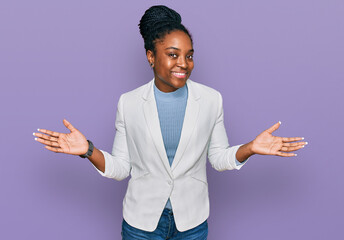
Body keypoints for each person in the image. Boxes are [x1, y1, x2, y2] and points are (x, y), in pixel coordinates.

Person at [33, 5, 307, 240]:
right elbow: (120, 168)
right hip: (141, 224)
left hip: (192, 223)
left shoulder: (211, 100)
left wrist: (250, 148)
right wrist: (88, 150)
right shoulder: (128, 103)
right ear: (151, 57)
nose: (184, 63)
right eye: (173, 54)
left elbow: (218, 158)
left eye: (189, 55)